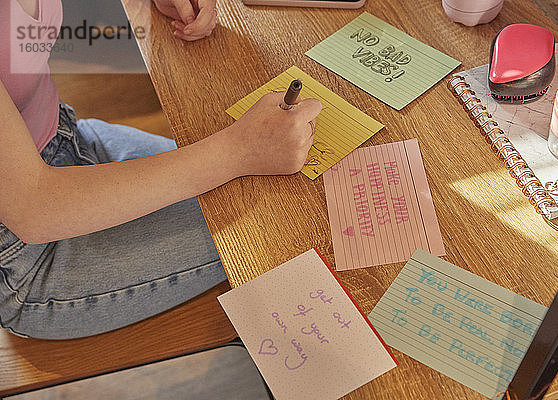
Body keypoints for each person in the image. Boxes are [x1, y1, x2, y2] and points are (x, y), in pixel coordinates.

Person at [0, 0, 321, 339]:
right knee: (283, 218)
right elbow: (34, 209)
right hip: (26, 258)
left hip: (67, 138)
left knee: (278, 193)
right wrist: (239, 150)